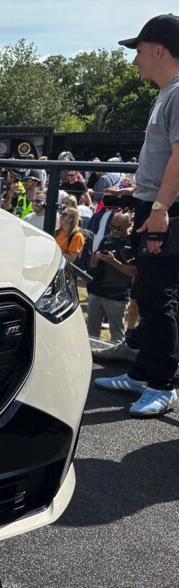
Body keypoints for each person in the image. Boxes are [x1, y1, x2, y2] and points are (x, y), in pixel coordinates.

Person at [95, 13, 179, 417]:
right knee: (146, 291)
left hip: (166, 210)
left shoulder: (178, 93)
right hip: (153, 204)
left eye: (140, 51)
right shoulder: (167, 94)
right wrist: (136, 191)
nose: (135, 62)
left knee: (157, 296)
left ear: (160, 49)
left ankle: (163, 384)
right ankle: (143, 373)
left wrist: (160, 207)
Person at [87, 213, 137, 342]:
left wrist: (113, 262)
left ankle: (117, 359)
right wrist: (94, 259)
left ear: (128, 225)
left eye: (119, 228)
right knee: (91, 333)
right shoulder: (106, 239)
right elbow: (93, 266)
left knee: (116, 334)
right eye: (112, 227)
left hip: (117, 294)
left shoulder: (132, 244)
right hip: (97, 290)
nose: (114, 230)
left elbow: (133, 271)